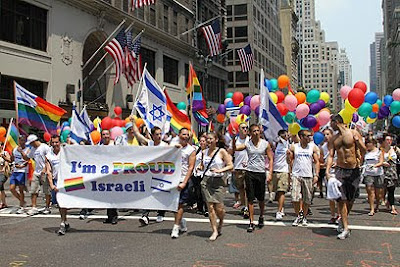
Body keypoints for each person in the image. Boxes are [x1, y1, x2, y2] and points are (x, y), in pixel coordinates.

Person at [326, 114, 366, 240]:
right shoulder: (334, 139)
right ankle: (346, 227)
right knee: (341, 199)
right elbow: (331, 155)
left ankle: (343, 220)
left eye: (331, 122)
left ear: (336, 122)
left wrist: (358, 143)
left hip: (354, 170)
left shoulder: (353, 133)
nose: (329, 125)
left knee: (350, 199)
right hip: (340, 170)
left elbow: (363, 149)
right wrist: (327, 170)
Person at [233, 124, 274, 233]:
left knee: (260, 199)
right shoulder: (247, 144)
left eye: (258, 131)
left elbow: (270, 159)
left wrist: (270, 172)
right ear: (250, 133)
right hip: (250, 172)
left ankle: (261, 215)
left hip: (260, 173)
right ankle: (251, 222)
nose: (256, 133)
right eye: (254, 131)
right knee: (250, 198)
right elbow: (235, 149)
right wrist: (233, 139)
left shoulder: (265, 144)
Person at [130, 118, 169, 225]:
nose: (159, 136)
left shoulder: (165, 146)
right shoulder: (149, 144)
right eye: (157, 134)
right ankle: (145, 215)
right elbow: (138, 135)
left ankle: (161, 213)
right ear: (152, 135)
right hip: (150, 174)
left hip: (162, 174)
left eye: (160, 134)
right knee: (148, 194)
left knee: (160, 194)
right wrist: (133, 122)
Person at [200, 132, 233, 240]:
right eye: (207, 139)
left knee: (219, 208)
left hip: (218, 181)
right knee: (210, 207)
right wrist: (199, 168)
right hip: (207, 181)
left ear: (216, 140)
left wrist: (220, 170)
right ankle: (214, 230)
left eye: (211, 139)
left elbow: (230, 166)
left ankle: (221, 220)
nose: (209, 141)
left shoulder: (221, 151)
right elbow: (202, 164)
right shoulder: (204, 152)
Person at [288, 130, 320, 227]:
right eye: (307, 136)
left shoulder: (312, 147)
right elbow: (290, 160)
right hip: (296, 175)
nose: (309, 138)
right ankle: (299, 215)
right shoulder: (294, 146)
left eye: (310, 136)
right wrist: (288, 156)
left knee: (307, 199)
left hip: (308, 175)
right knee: (295, 198)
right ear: (301, 137)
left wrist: (316, 175)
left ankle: (304, 216)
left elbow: (317, 161)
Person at [171, 128, 196, 239]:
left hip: (183, 179)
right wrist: (172, 148)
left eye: (187, 135)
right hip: (172, 179)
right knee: (173, 205)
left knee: (180, 204)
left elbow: (191, 167)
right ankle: (181, 222)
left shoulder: (191, 150)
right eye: (183, 134)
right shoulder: (174, 145)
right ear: (179, 135)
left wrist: (184, 182)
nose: (185, 137)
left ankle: (175, 227)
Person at [45, 135, 70, 235]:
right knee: (60, 204)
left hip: (67, 181)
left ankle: (63, 223)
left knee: (64, 204)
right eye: (53, 142)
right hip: (57, 182)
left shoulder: (66, 152)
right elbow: (48, 171)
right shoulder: (48, 155)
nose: (55, 144)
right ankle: (64, 222)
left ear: (60, 142)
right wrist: (51, 185)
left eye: (56, 142)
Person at [22, 134, 51, 215]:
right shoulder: (33, 149)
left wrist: (45, 169)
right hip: (37, 172)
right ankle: (34, 207)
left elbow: (49, 159)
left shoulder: (44, 147)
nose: (30, 145)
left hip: (45, 172)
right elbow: (27, 158)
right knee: (33, 190)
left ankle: (47, 207)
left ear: (34, 141)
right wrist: (22, 152)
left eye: (31, 143)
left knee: (46, 191)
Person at [2, 136, 29, 213]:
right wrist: (4, 157)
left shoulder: (27, 149)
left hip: (23, 171)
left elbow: (27, 159)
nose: (22, 142)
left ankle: (21, 205)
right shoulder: (14, 149)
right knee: (12, 188)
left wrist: (21, 153)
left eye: (23, 140)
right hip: (15, 171)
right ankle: (22, 201)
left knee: (21, 189)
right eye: (20, 140)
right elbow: (11, 160)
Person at [229, 123, 249, 218]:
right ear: (239, 129)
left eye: (246, 128)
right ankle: (244, 205)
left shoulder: (250, 139)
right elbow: (231, 151)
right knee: (241, 189)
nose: (245, 129)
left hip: (249, 168)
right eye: (243, 128)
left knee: (248, 189)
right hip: (238, 167)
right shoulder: (235, 140)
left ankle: (247, 207)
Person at [320, 128, 339, 224]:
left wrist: (337, 163)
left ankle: (339, 215)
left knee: (339, 196)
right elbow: (321, 161)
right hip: (328, 174)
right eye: (324, 135)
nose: (326, 137)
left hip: (338, 173)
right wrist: (324, 165)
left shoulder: (337, 145)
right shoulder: (323, 147)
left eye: (328, 134)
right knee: (331, 197)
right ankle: (333, 215)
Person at [271, 129, 290, 221]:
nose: (284, 136)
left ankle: (279, 211)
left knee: (281, 191)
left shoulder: (287, 144)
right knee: (277, 192)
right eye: (282, 135)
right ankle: (281, 208)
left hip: (284, 170)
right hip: (276, 170)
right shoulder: (277, 145)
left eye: (285, 135)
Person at [100, 129, 118, 224]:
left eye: (107, 134)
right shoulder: (100, 147)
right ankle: (109, 216)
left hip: (114, 173)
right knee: (107, 196)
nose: (105, 136)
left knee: (112, 195)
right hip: (104, 174)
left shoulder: (115, 145)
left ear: (110, 135)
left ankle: (114, 216)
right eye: (103, 134)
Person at [363, 138, 384, 216]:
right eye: (367, 143)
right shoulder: (366, 152)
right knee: (370, 190)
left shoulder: (379, 152)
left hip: (378, 173)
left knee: (378, 193)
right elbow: (362, 160)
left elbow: (381, 162)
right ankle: (372, 208)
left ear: (374, 144)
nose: (368, 144)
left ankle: (377, 204)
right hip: (368, 173)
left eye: (369, 143)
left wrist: (375, 165)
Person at [380, 134, 398, 215]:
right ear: (384, 141)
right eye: (387, 140)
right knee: (386, 188)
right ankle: (386, 201)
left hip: (393, 171)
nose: (389, 141)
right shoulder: (381, 150)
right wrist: (382, 162)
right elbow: (378, 160)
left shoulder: (395, 149)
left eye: (390, 140)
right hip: (384, 171)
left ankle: (392, 206)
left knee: (391, 188)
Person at [193, 135, 208, 216]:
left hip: (204, 174)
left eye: (203, 141)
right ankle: (199, 208)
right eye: (201, 141)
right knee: (198, 192)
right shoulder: (197, 150)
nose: (202, 142)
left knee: (204, 192)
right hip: (196, 174)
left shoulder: (208, 151)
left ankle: (206, 208)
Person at [0, 142, 11, 209]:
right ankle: (4, 203)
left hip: (3, 173)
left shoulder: (5, 153)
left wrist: (3, 157)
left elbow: (9, 160)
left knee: (0, 185)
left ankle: (1, 203)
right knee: (1, 188)